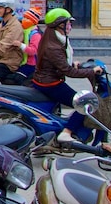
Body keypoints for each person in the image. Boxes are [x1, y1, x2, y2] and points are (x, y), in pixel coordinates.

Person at [31, 8, 103, 143]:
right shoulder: (53, 47)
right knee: (84, 103)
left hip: (46, 79)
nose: (70, 26)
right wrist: (92, 72)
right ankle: (66, 133)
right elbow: (68, 72)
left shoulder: (52, 39)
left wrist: (73, 64)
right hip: (50, 84)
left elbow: (60, 64)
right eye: (68, 23)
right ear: (60, 25)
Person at [16, 7, 44, 80]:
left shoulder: (35, 34)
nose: (24, 20)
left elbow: (33, 51)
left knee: (16, 79)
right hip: (22, 62)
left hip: (31, 64)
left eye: (27, 18)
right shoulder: (24, 31)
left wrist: (20, 45)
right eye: (24, 17)